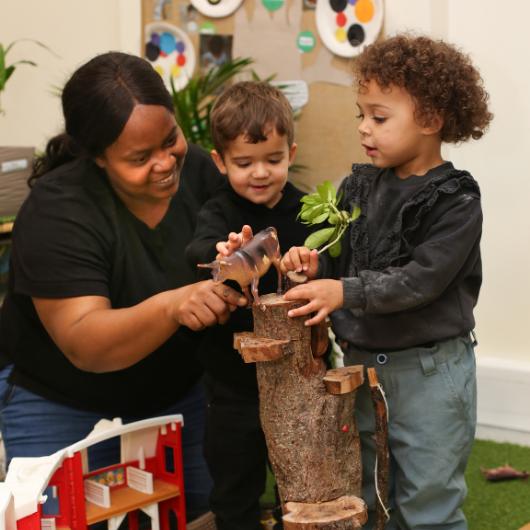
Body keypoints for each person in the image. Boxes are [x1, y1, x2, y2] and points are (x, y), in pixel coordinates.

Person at [0, 51, 245, 521]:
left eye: (169, 139)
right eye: (139, 157)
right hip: (60, 403)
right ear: (97, 157)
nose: (165, 162)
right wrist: (174, 306)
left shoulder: (198, 170)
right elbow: (86, 343)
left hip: (177, 399)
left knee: (201, 516)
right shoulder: (58, 211)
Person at [281, 34, 493, 530]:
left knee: (428, 498)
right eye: (361, 114)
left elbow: (420, 281)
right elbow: (349, 261)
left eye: (379, 117)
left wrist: (343, 291)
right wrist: (319, 270)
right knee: (373, 490)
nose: (363, 128)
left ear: (431, 119)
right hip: (361, 368)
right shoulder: (360, 187)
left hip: (429, 375)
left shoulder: (454, 200)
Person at [185, 81, 312, 530]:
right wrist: (223, 254)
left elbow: (329, 262)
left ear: (291, 153)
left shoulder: (305, 210)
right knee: (234, 483)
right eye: (244, 163)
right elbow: (197, 254)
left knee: (299, 482)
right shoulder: (218, 211)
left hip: (298, 380)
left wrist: (309, 263)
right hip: (232, 384)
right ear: (219, 161)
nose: (260, 172)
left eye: (273, 160)